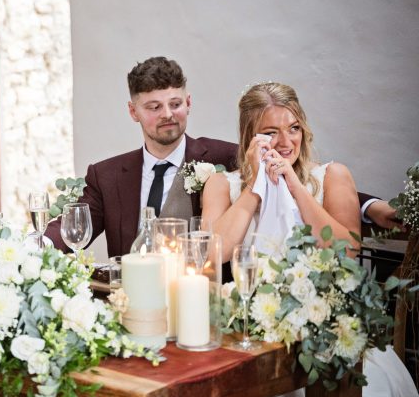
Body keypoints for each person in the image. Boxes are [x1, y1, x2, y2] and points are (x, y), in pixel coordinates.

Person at [202, 81, 419, 397]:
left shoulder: (332, 176)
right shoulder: (221, 185)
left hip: (323, 326)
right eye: (271, 132)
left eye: (294, 128)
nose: (286, 142)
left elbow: (345, 252)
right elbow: (212, 253)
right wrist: (254, 188)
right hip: (248, 328)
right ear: (249, 137)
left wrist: (293, 185)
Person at [45, 57, 397, 258]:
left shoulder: (222, 156)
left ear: (188, 104)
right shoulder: (107, 174)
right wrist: (38, 246)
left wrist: (371, 207)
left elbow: (302, 171)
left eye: (175, 103)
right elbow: (75, 224)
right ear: (133, 112)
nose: (168, 114)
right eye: (154, 107)